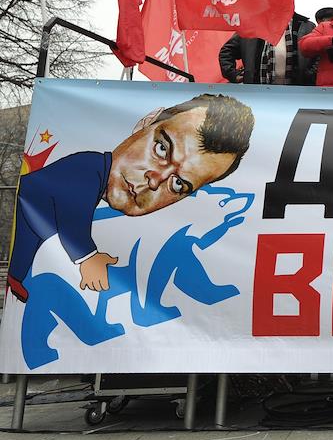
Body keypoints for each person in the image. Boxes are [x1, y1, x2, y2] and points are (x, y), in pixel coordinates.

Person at [6, 93, 255, 302]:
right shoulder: (89, 167)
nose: (154, 180)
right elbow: (72, 213)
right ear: (145, 122)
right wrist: (87, 257)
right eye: (161, 149)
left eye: (179, 184)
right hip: (35, 199)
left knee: (28, 242)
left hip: (37, 207)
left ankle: (16, 277)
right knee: (29, 239)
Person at [220, 13, 318, 86]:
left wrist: (310, 76)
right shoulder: (251, 26)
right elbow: (227, 51)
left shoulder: (306, 26)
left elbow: (319, 54)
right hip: (258, 93)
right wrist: (232, 74)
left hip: (298, 94)